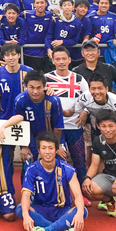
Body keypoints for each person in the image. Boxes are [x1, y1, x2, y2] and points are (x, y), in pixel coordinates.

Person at [16, 132, 87, 231]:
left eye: (51, 148)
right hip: (41, 209)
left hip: (62, 210)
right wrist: (26, 216)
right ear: (39, 150)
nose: (47, 152)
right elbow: (26, 195)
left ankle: (46, 230)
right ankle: (61, 229)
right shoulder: (32, 169)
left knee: (83, 211)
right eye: (44, 148)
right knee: (20, 209)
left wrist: (80, 212)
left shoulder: (67, 169)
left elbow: (77, 194)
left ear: (56, 150)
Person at [45, 46, 90, 200]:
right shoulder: (46, 79)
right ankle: (59, 195)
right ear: (52, 61)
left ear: (70, 60)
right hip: (54, 128)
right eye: (57, 59)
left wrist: (85, 112)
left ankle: (83, 195)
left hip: (75, 126)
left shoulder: (79, 79)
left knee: (79, 161)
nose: (61, 62)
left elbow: (89, 98)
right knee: (56, 162)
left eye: (64, 58)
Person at [0, 42, 33, 120]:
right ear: (3, 57)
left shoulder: (29, 72)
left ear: (19, 55)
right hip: (5, 116)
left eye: (13, 54)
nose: (11, 58)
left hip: (26, 117)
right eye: (7, 55)